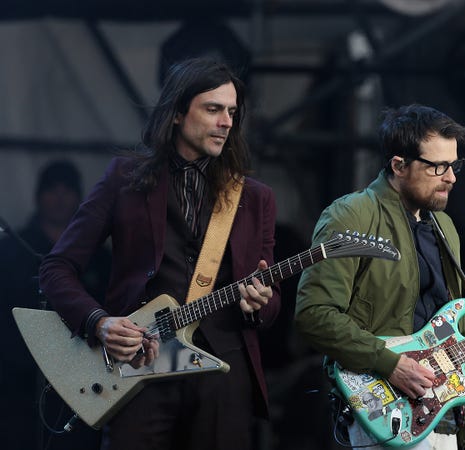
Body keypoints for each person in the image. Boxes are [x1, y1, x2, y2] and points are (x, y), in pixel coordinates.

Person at [38, 58, 281, 450]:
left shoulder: (254, 198)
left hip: (221, 375)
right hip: (138, 368)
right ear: (176, 113)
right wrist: (99, 323)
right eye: (213, 109)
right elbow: (56, 268)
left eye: (232, 112)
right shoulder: (124, 179)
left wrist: (259, 304)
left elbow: (269, 308)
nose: (227, 122)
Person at [294, 104, 465, 450]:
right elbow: (314, 315)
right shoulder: (351, 215)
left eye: (454, 165)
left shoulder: (443, 227)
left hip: (440, 411)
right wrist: (391, 364)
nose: (452, 177)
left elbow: (455, 324)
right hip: (382, 406)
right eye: (439, 166)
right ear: (399, 165)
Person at [0, 160, 110, 450]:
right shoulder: (11, 248)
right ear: (39, 195)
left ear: (79, 197)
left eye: (67, 189)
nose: (60, 197)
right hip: (18, 382)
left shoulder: (100, 256)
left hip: (82, 380)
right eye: (52, 189)